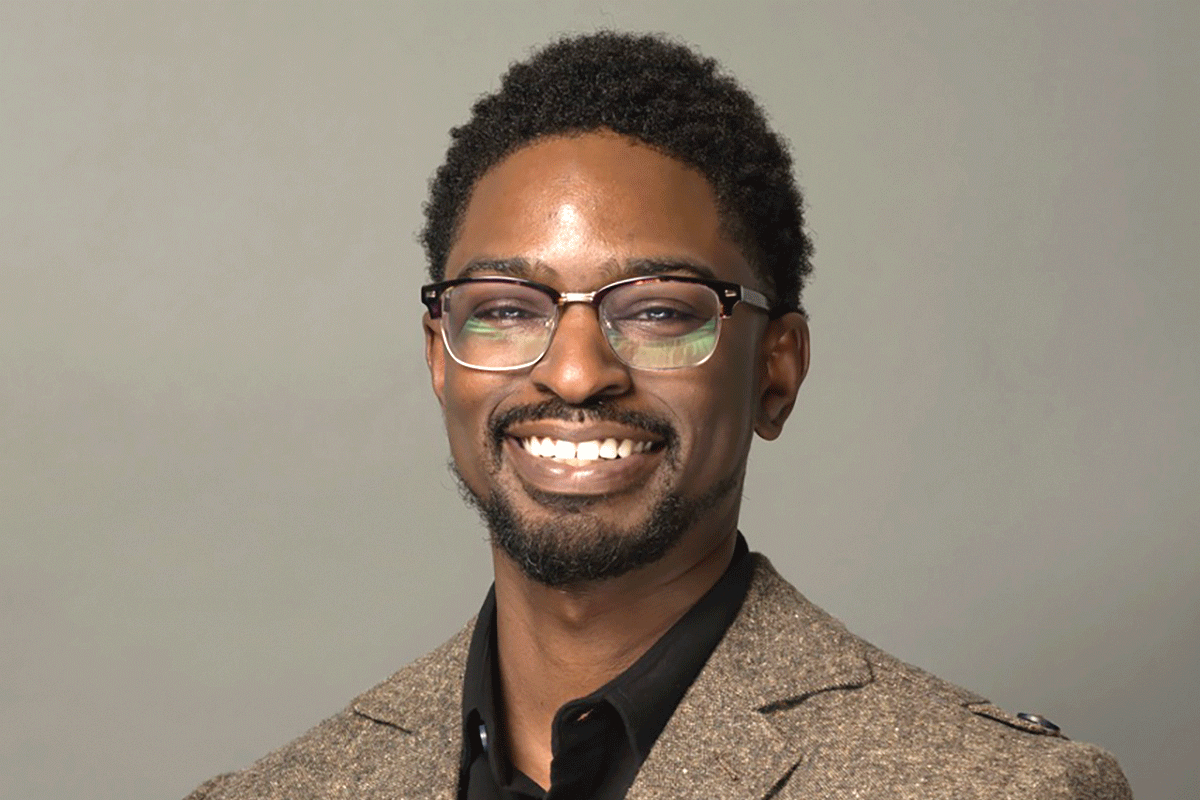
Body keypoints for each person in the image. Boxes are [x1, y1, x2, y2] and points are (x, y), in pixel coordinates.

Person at [187, 31, 1131, 800]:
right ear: (441, 357)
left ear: (776, 369)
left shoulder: (999, 787)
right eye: (508, 309)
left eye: (658, 312)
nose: (576, 372)